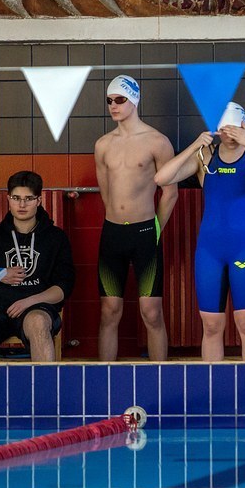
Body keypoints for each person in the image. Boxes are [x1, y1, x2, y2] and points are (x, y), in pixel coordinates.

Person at [154, 102, 245, 361]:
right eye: (225, 129)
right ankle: (213, 384)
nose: (230, 134)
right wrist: (195, 145)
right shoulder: (205, 157)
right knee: (211, 325)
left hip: (244, 247)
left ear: (243, 127)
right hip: (210, 251)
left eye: (235, 128)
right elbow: (161, 178)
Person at [95, 75, 177, 361]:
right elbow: (106, 193)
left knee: (151, 312)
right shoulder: (103, 145)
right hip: (112, 234)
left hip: (145, 233)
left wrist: (155, 230)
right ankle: (105, 379)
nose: (113, 105)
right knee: (109, 311)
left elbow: (170, 193)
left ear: (134, 100)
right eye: (109, 100)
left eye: (120, 99)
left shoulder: (157, 142)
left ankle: (160, 378)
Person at [0, 171, 75, 361]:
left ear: (38, 201)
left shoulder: (55, 237)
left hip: (37, 307)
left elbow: (63, 289)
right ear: (8, 199)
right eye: (16, 198)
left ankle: (45, 381)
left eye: (28, 199)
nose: (22, 204)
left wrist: (28, 301)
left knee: (38, 322)